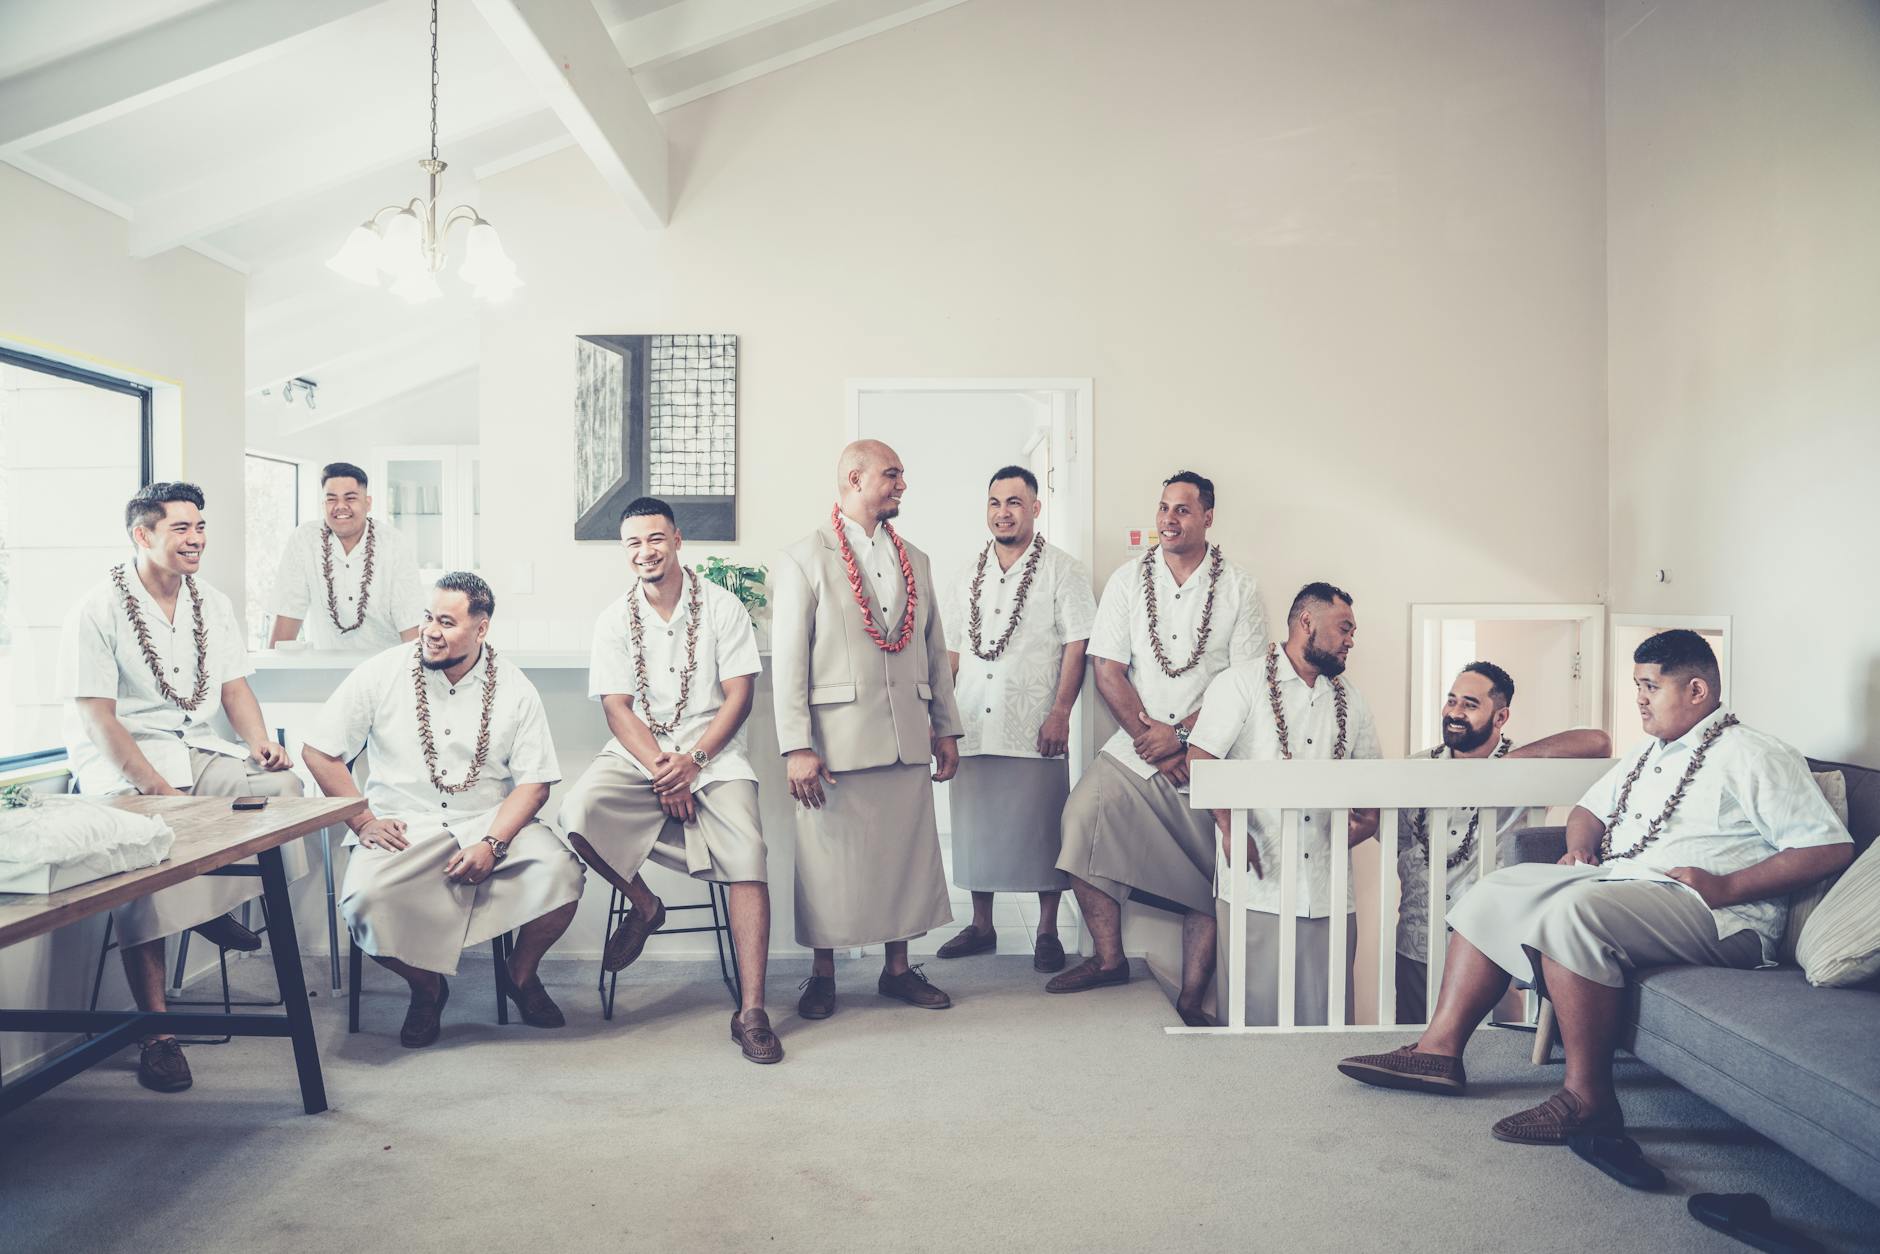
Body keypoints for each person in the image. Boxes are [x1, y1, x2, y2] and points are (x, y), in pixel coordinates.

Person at [1338, 630, 1853, 1144]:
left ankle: (1589, 1100)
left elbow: (1828, 848)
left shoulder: (1755, 754)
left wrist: (1726, 885)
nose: (1639, 699)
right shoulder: (1649, 753)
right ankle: (1439, 1052)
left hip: (1717, 915)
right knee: (1494, 890)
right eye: (1637, 685)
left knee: (1574, 912)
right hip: (1624, 885)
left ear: (1696, 690)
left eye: (1650, 686)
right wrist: (1581, 848)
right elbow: (1589, 808)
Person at [59, 481, 306, 1093]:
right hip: (121, 761)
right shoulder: (97, 607)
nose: (196, 539)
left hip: (195, 747)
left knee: (286, 787)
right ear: (142, 535)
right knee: (149, 855)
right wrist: (159, 790)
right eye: (181, 529)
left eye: (200, 527)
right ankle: (157, 1035)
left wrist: (257, 743)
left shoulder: (211, 602)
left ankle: (207, 902)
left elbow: (233, 688)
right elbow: (98, 719)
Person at [302, 572, 585, 1048]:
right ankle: (427, 989)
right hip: (404, 826)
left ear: (481, 629)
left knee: (562, 874)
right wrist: (363, 820)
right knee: (361, 904)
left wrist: (493, 844)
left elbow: (534, 784)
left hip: (487, 821)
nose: (431, 630)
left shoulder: (515, 687)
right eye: (428, 617)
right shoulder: (383, 672)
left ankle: (520, 976)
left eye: (447, 622)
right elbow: (319, 751)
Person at [558, 498, 781, 1064]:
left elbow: (741, 695)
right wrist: (665, 770)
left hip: (715, 755)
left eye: (655, 539)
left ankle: (752, 1011)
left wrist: (695, 762)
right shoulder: (613, 620)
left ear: (678, 540)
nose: (645, 551)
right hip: (643, 757)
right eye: (633, 542)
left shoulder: (724, 607)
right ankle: (644, 904)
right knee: (576, 812)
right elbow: (616, 707)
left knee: (750, 855)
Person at [1050, 471, 1268, 1023]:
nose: (1169, 520)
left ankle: (1192, 1001)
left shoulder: (1240, 588)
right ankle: (1107, 960)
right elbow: (1107, 669)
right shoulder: (1128, 580)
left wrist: (1187, 737)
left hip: (1210, 756)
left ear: (1209, 517)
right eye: (1164, 508)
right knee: (1079, 822)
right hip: (1136, 747)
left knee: (1211, 874)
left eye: (1183, 510)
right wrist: (1155, 740)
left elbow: (1244, 683)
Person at [772, 439, 964, 1019]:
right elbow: (790, 661)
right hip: (836, 742)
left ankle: (898, 971)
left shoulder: (919, 561)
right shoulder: (804, 558)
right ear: (855, 479)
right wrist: (797, 746)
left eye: (901, 475)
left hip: (908, 734)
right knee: (831, 864)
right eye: (892, 474)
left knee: (905, 859)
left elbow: (934, 652)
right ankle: (823, 975)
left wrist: (946, 729)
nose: (902, 484)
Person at [1188, 583, 1382, 1026]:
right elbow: (1201, 762)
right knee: (1254, 1012)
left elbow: (1373, 785)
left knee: (1327, 1013)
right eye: (1344, 628)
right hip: (1261, 883)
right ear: (1307, 622)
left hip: (1330, 890)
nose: (1352, 639)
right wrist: (1231, 829)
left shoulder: (1352, 700)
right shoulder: (1241, 683)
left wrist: (1363, 825)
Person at [935, 466, 1096, 973]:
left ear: (1034, 508)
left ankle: (1047, 931)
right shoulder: (967, 573)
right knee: (977, 828)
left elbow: (1079, 643)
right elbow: (952, 652)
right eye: (994, 503)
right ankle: (982, 925)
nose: (1003, 512)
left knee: (1043, 827)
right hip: (974, 725)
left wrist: (1061, 712)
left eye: (1014, 502)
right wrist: (942, 718)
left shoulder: (1063, 570)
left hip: (1033, 725)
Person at [1392, 661, 1611, 1024]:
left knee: (1496, 1047)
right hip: (1418, 939)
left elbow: (1598, 742)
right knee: (1409, 1035)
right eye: (1451, 701)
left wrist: (1508, 766)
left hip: (1490, 944)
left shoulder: (1525, 770)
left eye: (1470, 704)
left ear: (1500, 716)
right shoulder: (1416, 768)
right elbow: (1399, 841)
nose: (1455, 713)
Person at [268, 461, 423, 650]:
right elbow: (288, 611)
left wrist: (414, 677)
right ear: (323, 504)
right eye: (331, 499)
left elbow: (410, 624)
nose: (340, 506)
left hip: (384, 668)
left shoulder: (394, 544)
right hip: (323, 670)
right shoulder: (304, 540)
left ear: (368, 503)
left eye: (350, 498)